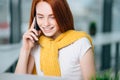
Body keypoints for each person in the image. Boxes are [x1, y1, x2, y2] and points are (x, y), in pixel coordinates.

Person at [15, 0, 96, 80]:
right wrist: (25, 49)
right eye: (40, 17)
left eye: (52, 17)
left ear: (62, 16)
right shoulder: (36, 45)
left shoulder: (81, 43)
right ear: (35, 19)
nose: (46, 23)